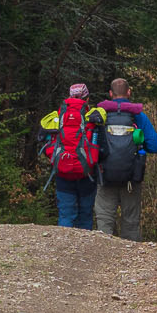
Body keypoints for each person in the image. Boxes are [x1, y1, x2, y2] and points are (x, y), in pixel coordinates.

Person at [93, 77, 157, 240]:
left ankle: (102, 258)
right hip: (131, 176)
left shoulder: (101, 115)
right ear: (129, 92)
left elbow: (91, 144)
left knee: (104, 220)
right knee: (130, 221)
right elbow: (154, 146)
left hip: (105, 175)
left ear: (110, 93)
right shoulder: (138, 116)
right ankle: (132, 261)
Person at [37, 82, 102, 229]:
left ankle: (64, 249)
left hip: (63, 172)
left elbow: (42, 139)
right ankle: (84, 250)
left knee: (66, 215)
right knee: (85, 215)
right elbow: (101, 145)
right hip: (87, 174)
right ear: (87, 99)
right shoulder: (93, 117)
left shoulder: (56, 117)